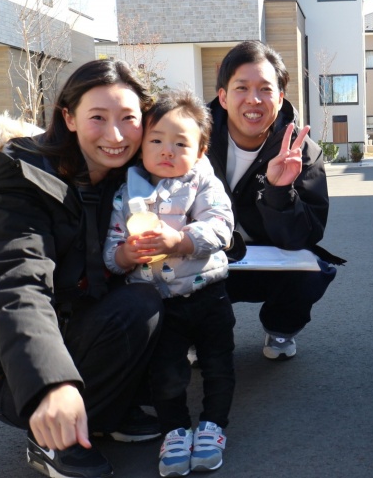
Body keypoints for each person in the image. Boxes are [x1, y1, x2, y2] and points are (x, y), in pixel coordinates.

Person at [0, 59, 163, 478]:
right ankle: (50, 438)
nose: (115, 135)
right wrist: (49, 383)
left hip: (78, 321)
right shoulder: (17, 178)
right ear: (68, 117)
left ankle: (102, 413)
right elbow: (18, 282)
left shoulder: (133, 176)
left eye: (128, 118)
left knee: (152, 297)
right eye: (97, 117)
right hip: (11, 376)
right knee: (137, 305)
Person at [103, 90, 236, 477]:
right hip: (161, 302)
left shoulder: (203, 182)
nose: (167, 151)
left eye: (180, 143)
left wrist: (179, 240)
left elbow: (221, 227)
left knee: (218, 365)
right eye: (156, 140)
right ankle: (175, 431)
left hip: (209, 292)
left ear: (200, 150)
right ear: (141, 146)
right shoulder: (127, 193)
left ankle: (213, 426)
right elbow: (111, 249)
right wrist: (125, 255)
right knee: (166, 373)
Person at [205, 40, 344, 361]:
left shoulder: (302, 151)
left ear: (280, 99)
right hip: (206, 255)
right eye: (241, 88)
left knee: (311, 272)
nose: (253, 99)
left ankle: (281, 329)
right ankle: (197, 331)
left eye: (265, 89)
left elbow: (304, 237)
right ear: (223, 97)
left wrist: (279, 191)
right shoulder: (192, 138)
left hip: (272, 261)